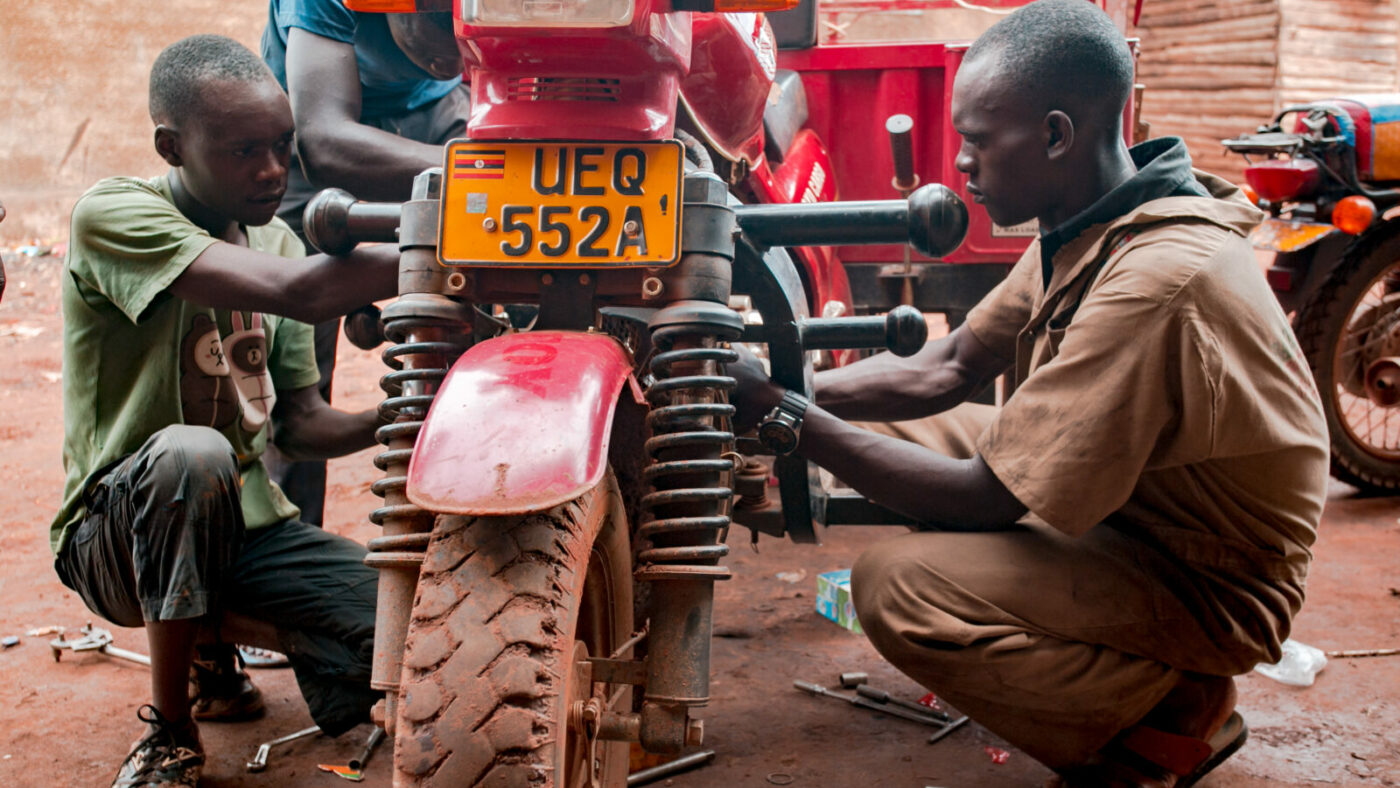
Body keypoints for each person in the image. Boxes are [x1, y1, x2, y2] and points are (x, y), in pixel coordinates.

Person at [730, 1, 1329, 785]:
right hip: (1137, 512)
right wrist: (782, 387)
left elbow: (988, 497)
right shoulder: (1087, 224)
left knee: (899, 588)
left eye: (978, 141)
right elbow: (945, 368)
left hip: (1208, 580)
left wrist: (783, 417)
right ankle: (1114, 663)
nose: (962, 163)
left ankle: (1166, 712)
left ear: (1054, 135)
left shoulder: (1154, 281)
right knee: (911, 437)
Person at [52, 34, 399, 788]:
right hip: (115, 536)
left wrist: (397, 416)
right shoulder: (112, 213)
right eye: (245, 151)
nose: (273, 171)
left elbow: (302, 426)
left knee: (409, 626)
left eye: (282, 146)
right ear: (173, 146)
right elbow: (299, 291)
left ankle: (211, 643)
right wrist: (440, 243)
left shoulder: (275, 238)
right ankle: (171, 732)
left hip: (244, 532)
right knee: (192, 454)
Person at [259, 1, 468, 525]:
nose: (455, 47)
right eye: (439, 21)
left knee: (484, 319)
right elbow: (324, 142)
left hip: (435, 116)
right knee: (293, 361)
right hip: (313, 126)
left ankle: (468, 525)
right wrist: (490, 172)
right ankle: (285, 553)